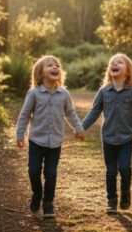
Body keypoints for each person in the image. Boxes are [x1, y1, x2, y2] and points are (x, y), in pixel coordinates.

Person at [81, 53, 132, 214]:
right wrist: (81, 127)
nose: (115, 64)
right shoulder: (103, 91)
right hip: (108, 138)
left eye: (119, 62)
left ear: (128, 71)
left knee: (125, 168)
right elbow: (94, 112)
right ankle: (111, 200)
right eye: (112, 62)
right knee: (111, 170)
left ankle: (125, 193)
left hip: (126, 138)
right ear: (109, 69)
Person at [15, 55, 85, 218]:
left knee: (51, 174)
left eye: (57, 66)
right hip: (36, 141)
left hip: (55, 143)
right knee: (33, 172)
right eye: (50, 65)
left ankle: (48, 204)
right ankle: (37, 195)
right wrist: (20, 134)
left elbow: (71, 114)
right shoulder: (34, 94)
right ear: (40, 73)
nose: (55, 68)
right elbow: (24, 115)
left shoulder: (64, 94)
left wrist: (79, 129)